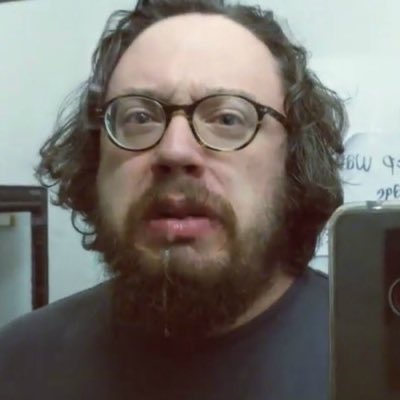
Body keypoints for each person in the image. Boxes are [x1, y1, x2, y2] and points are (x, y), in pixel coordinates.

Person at [0, 0, 346, 399]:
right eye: (139, 117)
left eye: (228, 118)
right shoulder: (15, 366)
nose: (174, 150)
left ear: (294, 163)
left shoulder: (377, 359)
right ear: (95, 162)